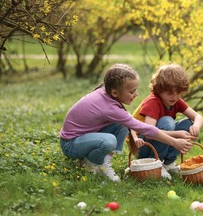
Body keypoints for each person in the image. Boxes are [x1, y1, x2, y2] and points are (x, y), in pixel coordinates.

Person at [60, 63, 192, 182]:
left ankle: (103, 162)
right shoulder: (110, 107)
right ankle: (91, 163)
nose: (136, 94)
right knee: (109, 141)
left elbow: (129, 122)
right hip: (71, 144)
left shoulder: (106, 93)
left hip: (83, 138)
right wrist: (175, 142)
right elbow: (145, 129)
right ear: (115, 92)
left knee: (123, 124)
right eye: (131, 91)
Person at [132, 63, 203, 180]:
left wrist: (196, 126)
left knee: (188, 124)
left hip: (156, 137)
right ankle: (156, 163)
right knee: (167, 122)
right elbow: (149, 132)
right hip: (142, 145)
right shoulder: (153, 102)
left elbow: (198, 116)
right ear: (159, 90)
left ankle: (168, 163)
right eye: (170, 93)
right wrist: (177, 134)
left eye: (178, 93)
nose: (175, 97)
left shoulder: (175, 100)